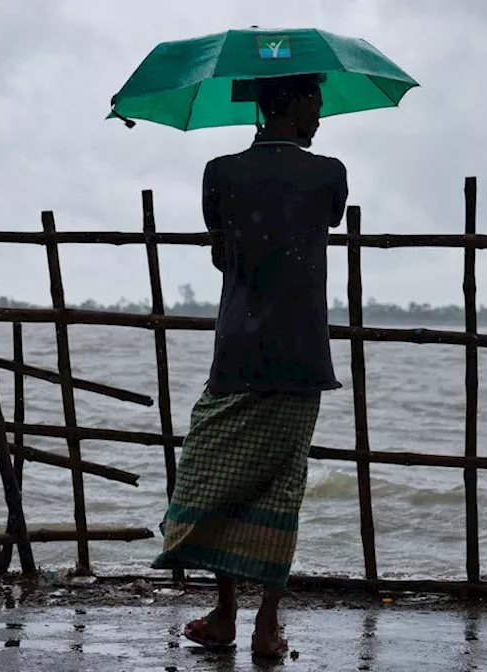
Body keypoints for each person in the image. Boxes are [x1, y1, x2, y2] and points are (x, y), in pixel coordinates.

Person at [151, 72, 347, 659]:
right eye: (314, 101)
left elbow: (222, 251)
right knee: (280, 488)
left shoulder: (221, 173)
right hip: (302, 353)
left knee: (215, 479)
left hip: (238, 349)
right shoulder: (329, 175)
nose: (320, 114)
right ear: (287, 104)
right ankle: (265, 623)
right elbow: (319, 223)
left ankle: (227, 613)